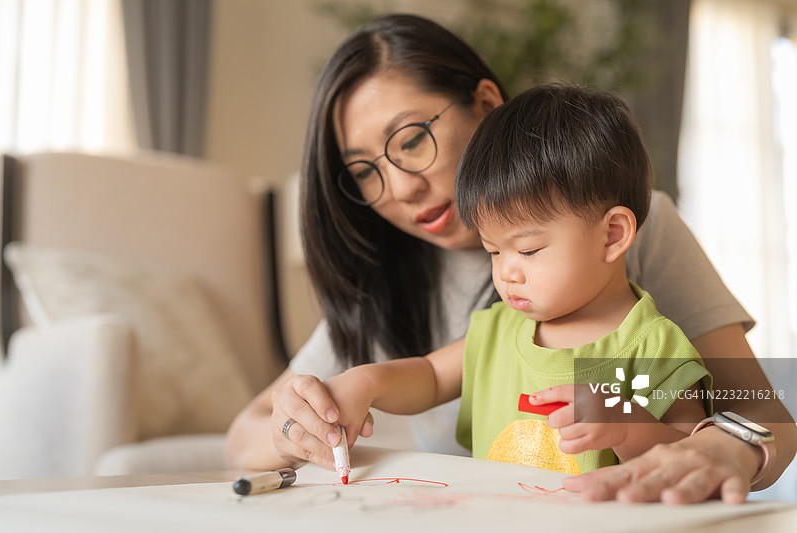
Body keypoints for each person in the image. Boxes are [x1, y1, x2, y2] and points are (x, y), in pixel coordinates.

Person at [225, 14, 796, 504]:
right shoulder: (395, 284)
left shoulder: (635, 242)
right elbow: (247, 432)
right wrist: (329, 404)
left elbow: (760, 413)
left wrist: (723, 445)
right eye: (364, 172)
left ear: (485, 104)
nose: (399, 189)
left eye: (409, 141)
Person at [315, 83, 714, 477]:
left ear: (611, 235)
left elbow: (695, 453)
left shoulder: (652, 347)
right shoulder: (497, 331)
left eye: (528, 251)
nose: (506, 271)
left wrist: (627, 422)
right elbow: (431, 376)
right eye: (493, 251)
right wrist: (366, 381)